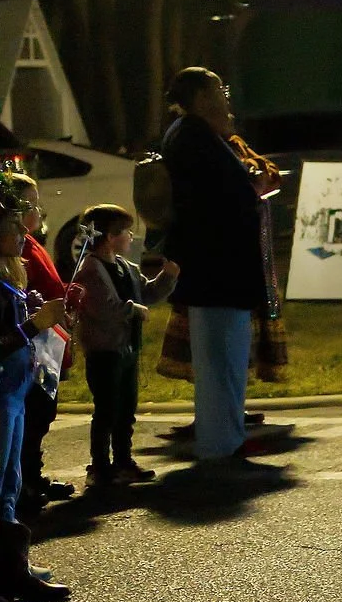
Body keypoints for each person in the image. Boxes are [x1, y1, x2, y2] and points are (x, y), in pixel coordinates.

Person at [160, 67, 269, 465]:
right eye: (218, 89)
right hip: (217, 268)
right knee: (222, 361)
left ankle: (225, 437)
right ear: (202, 98)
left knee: (223, 361)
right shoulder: (194, 137)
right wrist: (249, 191)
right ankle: (222, 443)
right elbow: (215, 200)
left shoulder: (193, 134)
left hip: (215, 268)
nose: (225, 95)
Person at [0, 192, 73, 602]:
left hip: (13, 392)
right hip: (0, 392)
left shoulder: (9, 275)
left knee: (9, 484)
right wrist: (33, 325)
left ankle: (12, 568)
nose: (24, 233)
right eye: (13, 228)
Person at [72, 205, 178, 486]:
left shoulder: (126, 267)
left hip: (128, 348)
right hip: (104, 350)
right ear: (109, 236)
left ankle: (123, 459)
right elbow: (104, 308)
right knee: (106, 408)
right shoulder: (91, 270)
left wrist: (168, 275)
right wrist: (134, 310)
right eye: (126, 232)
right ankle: (99, 465)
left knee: (126, 408)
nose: (131, 237)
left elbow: (148, 292)